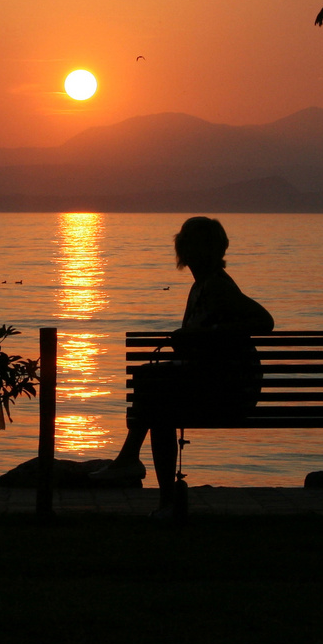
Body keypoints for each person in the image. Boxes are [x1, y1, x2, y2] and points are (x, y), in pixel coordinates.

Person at [91, 216, 274, 513]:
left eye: (199, 247)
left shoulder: (218, 287)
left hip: (232, 391)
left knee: (151, 385)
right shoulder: (202, 286)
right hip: (218, 384)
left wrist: (204, 333)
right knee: (157, 402)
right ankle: (157, 491)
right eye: (190, 247)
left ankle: (133, 464)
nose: (191, 255)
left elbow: (265, 321)